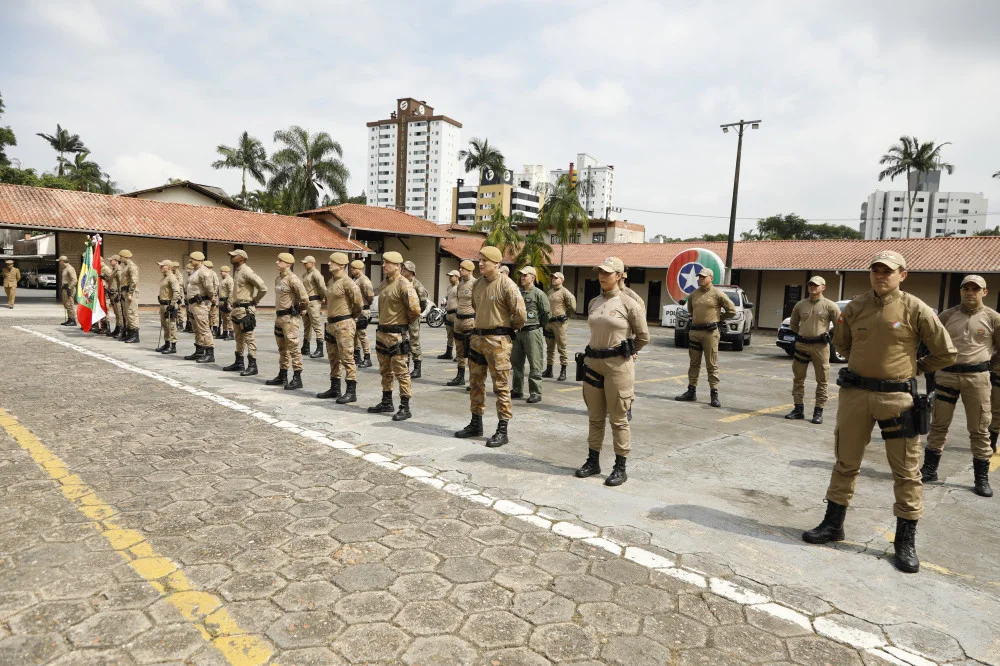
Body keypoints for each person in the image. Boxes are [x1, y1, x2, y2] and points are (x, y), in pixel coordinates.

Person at [802, 250, 956, 574]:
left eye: (888, 271)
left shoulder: (916, 309)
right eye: (876, 270)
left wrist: (915, 367)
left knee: (906, 471)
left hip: (897, 399)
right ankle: (833, 525)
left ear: (903, 274)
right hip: (856, 395)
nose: (881, 276)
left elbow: (946, 352)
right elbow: (842, 344)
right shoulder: (855, 307)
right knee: (845, 461)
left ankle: (904, 541)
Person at [920, 275, 999, 498]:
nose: (970, 292)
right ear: (961, 291)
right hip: (947, 376)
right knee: (939, 425)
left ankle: (981, 479)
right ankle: (930, 470)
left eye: (976, 289)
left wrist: (991, 370)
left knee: (979, 429)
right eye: (966, 288)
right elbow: (931, 343)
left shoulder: (994, 318)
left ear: (984, 292)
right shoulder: (946, 316)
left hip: (977, 379)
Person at [574, 257, 650, 486]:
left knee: (618, 419)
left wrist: (628, 350)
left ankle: (620, 467)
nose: (602, 276)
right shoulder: (594, 302)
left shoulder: (629, 303)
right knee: (595, 418)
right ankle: (593, 461)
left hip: (618, 366)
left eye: (607, 273)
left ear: (619, 275)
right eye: (600, 272)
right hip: (593, 364)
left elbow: (644, 337)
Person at [454, 246, 527, 447]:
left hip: (499, 342)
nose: (481, 264)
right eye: (480, 260)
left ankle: (502, 429)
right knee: (476, 383)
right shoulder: (477, 285)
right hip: (478, 339)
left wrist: (509, 329)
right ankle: (476, 423)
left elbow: (520, 314)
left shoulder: (507, 285)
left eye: (485, 261)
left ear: (496, 264)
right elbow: (477, 308)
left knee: (501, 386)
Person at [367, 251, 420, 421]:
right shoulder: (384, 284)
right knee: (385, 371)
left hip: (397, 334)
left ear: (398, 266)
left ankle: (405, 406)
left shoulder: (404, 284)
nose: (384, 265)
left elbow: (415, 310)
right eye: (383, 262)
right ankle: (386, 401)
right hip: (382, 332)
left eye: (387, 263)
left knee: (401, 372)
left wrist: (402, 323)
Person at [674, 267, 735, 407]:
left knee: (711, 364)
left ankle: (714, 394)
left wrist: (718, 318)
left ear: (711, 278)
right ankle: (691, 391)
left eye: (703, 277)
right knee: (694, 363)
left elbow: (732, 310)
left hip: (710, 333)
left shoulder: (717, 294)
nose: (701, 279)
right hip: (695, 332)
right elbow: (691, 311)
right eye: (699, 276)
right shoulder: (694, 294)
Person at [785, 276, 841, 424]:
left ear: (823, 287)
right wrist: (804, 334)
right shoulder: (800, 305)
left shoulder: (830, 306)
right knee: (798, 378)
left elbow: (839, 326)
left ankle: (818, 412)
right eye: (810, 285)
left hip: (820, 347)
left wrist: (827, 336)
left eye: (816, 285)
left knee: (822, 379)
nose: (812, 287)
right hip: (802, 345)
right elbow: (794, 324)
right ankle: (798, 409)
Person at [317, 252, 363, 403]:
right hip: (331, 323)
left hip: (344, 324)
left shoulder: (348, 282)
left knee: (347, 357)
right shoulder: (331, 282)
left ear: (342, 266)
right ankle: (335, 388)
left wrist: (350, 318)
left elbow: (358, 304)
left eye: (332, 262)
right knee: (333, 357)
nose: (329, 264)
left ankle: (351, 391)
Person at [267, 252, 310, 390]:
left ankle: (297, 377)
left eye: (280, 261)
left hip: (290, 319)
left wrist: (301, 309)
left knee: (293, 348)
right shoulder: (278, 279)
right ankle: (282, 374)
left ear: (288, 264)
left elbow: (304, 298)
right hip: (279, 318)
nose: (277, 262)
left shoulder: (293, 279)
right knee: (282, 349)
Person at [223, 249, 268, 377]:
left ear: (241, 258)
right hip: (237, 309)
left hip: (245, 310)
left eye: (234, 256)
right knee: (238, 338)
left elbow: (263, 288)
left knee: (249, 337)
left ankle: (253, 365)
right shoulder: (237, 272)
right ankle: (239, 362)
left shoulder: (247, 271)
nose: (231, 258)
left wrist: (255, 300)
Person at [511, 266, 550, 403]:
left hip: (533, 331)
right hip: (518, 332)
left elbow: (546, 314)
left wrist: (539, 327)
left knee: (535, 362)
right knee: (516, 362)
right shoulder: (518, 293)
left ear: (532, 277)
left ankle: (535, 392)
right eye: (521, 275)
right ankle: (517, 389)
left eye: (525, 275)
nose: (522, 277)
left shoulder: (539, 294)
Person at [183, 251, 218, 363]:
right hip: (193, 304)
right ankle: (199, 351)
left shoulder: (204, 272)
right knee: (196, 328)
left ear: (199, 260)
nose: (190, 260)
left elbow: (209, 288)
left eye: (192, 259)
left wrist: (211, 297)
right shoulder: (195, 271)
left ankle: (209, 353)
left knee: (204, 328)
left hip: (200, 304)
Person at [447, 260, 476, 387]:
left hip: (470, 320)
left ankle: (473, 380)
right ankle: (460, 376)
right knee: (459, 350)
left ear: (470, 271)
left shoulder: (475, 284)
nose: (460, 270)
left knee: (471, 351)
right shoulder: (460, 285)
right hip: (459, 320)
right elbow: (459, 300)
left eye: (463, 269)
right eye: (460, 268)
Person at [544, 271, 577, 381]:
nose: (553, 279)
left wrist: (566, 316)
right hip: (550, 323)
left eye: (556, 278)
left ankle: (563, 370)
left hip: (560, 323)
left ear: (561, 280)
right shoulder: (550, 292)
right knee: (549, 348)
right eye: (552, 277)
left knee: (561, 347)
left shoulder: (565, 292)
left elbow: (572, 305)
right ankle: (549, 369)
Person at [401, 260, 429, 379]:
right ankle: (405, 366)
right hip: (402, 317)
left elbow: (423, 301)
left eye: (405, 269)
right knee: (403, 341)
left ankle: (417, 369)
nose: (402, 271)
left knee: (414, 341)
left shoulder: (417, 285)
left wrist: (416, 313)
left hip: (412, 318)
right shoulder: (402, 283)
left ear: (411, 272)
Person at [300, 255, 327, 359]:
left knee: (316, 324)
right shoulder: (306, 274)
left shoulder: (316, 274)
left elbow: (322, 288)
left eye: (306, 263)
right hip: (306, 302)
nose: (304, 264)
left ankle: (320, 349)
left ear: (312, 263)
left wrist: (320, 298)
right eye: (304, 263)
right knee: (307, 325)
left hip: (314, 301)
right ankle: (305, 347)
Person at [350, 259, 375, 368]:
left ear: (359, 269)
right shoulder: (355, 280)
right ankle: (356, 356)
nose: (351, 270)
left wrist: (366, 305)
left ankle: (367, 357)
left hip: (363, 310)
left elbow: (370, 296)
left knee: (362, 334)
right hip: (356, 310)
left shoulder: (364, 281)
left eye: (353, 268)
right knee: (355, 335)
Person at [155, 259, 182, 354]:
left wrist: (172, 304)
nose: (160, 267)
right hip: (163, 304)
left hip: (169, 304)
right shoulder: (164, 278)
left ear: (169, 267)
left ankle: (173, 345)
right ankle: (166, 343)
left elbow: (176, 292)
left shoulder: (172, 278)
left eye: (163, 266)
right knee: (165, 325)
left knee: (171, 325)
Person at [117, 249, 140, 343]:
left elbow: (134, 281)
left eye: (121, 257)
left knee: (132, 313)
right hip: (124, 292)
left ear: (125, 257)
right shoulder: (126, 267)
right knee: (127, 314)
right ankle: (130, 333)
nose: (120, 258)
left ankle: (135, 335)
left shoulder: (132, 266)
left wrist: (130, 293)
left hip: (130, 292)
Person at [439, 269, 460, 360]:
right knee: (449, 335)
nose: (450, 278)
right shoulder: (449, 287)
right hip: (449, 314)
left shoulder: (460, 287)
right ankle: (448, 353)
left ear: (457, 277)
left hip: (456, 314)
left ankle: (459, 355)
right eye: (449, 276)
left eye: (452, 276)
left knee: (457, 335)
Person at [102, 255, 120, 336]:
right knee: (116, 313)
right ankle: (117, 329)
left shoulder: (118, 270)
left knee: (119, 313)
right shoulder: (114, 269)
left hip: (116, 293)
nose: (110, 261)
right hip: (112, 292)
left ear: (116, 261)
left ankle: (120, 330)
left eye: (111, 260)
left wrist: (119, 294)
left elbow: (120, 283)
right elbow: (110, 280)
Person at [57, 255, 77, 326]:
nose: (59, 263)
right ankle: (69, 319)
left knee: (70, 304)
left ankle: (73, 320)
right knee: (66, 304)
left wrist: (69, 287)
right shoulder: (65, 269)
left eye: (59, 261)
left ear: (62, 261)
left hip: (69, 290)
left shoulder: (70, 269)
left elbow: (74, 280)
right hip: (65, 289)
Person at [204, 260, 221, 339]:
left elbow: (216, 285)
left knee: (213, 314)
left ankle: (214, 328)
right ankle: (210, 328)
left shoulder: (213, 274)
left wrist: (214, 296)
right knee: (208, 314)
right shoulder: (206, 273)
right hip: (207, 296)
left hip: (212, 296)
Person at [219, 264, 234, 341]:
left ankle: (231, 334)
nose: (220, 273)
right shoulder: (222, 280)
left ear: (226, 272)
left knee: (229, 318)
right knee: (224, 318)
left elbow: (231, 292)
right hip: (221, 302)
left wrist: (229, 303)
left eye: (222, 271)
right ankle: (225, 332)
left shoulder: (229, 280)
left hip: (226, 301)